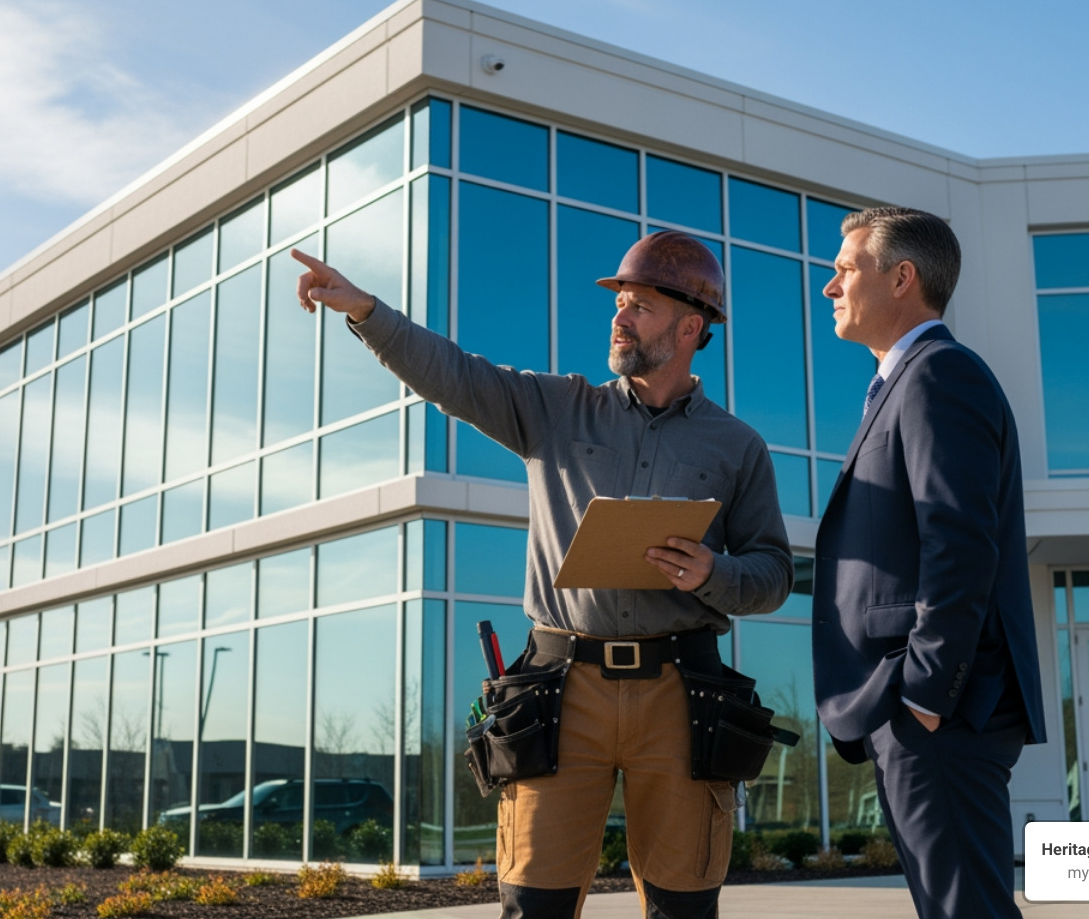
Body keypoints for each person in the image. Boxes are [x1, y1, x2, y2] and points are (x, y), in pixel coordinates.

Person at [291, 230, 792, 919]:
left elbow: (771, 574)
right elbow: (454, 375)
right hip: (562, 693)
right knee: (533, 904)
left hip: (681, 696)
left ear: (690, 326)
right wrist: (365, 311)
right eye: (619, 302)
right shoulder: (554, 408)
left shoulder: (738, 446)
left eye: (639, 305)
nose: (619, 316)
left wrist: (712, 571)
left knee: (684, 908)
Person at [812, 206, 1046, 919]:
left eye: (845, 269)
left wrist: (924, 693)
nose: (830, 287)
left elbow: (961, 542)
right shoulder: (903, 382)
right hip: (925, 711)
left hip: (942, 711)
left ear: (902, 277)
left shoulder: (939, 375)